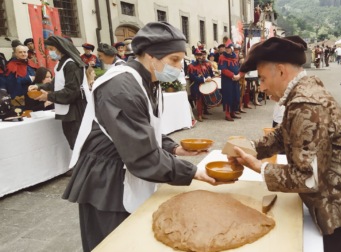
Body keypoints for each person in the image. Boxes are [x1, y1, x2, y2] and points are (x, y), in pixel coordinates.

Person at [62, 22, 223, 251]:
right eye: (174, 60)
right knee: (113, 244)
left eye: (181, 60)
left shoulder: (149, 79)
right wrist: (193, 172)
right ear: (150, 56)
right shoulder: (121, 87)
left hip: (125, 166)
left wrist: (174, 148)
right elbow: (141, 155)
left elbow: (145, 127)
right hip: (107, 182)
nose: (180, 67)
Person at [231, 36, 341, 252]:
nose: (261, 87)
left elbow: (309, 178)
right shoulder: (303, 91)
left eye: (263, 79)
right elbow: (285, 135)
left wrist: (258, 167)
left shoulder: (305, 103)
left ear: (281, 71)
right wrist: (251, 148)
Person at [28, 36, 87, 150]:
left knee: (79, 145)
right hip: (67, 112)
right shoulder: (62, 63)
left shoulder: (71, 64)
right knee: (74, 143)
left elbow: (72, 91)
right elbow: (54, 84)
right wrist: (38, 86)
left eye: (51, 49)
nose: (50, 52)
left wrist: (48, 96)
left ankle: (84, 167)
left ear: (61, 48)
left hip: (75, 111)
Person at [187, 49, 214, 122]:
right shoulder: (191, 66)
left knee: (204, 99)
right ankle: (199, 115)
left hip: (204, 85)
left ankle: (203, 113)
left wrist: (208, 77)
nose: (199, 57)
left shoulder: (204, 65)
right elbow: (193, 77)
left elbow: (207, 73)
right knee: (198, 100)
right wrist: (204, 80)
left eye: (200, 55)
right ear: (195, 56)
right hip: (196, 85)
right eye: (197, 55)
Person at [219, 43, 241, 121]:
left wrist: (238, 75)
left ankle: (233, 112)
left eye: (229, 48)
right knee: (228, 97)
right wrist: (232, 75)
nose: (227, 49)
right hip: (227, 81)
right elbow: (223, 69)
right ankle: (227, 114)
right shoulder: (222, 57)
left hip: (235, 80)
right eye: (226, 48)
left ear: (232, 48)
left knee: (235, 95)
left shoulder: (235, 56)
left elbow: (237, 67)